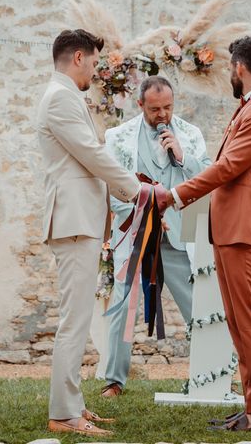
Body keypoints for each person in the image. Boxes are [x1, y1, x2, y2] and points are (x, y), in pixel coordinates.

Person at [159, 36, 251, 431]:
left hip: (241, 225)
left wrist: (176, 194)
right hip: (229, 224)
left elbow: (228, 166)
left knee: (248, 318)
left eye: (231, 65)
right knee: (235, 318)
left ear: (241, 68)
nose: (229, 71)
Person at [37, 29, 140, 437]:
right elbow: (92, 155)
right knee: (74, 322)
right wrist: (137, 189)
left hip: (78, 221)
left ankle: (73, 405)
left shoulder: (63, 96)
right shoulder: (60, 98)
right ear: (78, 57)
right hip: (73, 222)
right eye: (95, 63)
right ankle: (63, 414)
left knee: (76, 318)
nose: (96, 71)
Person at [101, 76, 211, 397]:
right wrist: (146, 214)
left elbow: (208, 178)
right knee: (123, 306)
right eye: (154, 109)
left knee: (197, 304)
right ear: (140, 105)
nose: (162, 114)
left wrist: (183, 157)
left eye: (167, 107)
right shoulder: (118, 138)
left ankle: (212, 373)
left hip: (178, 238)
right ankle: (114, 381)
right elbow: (113, 190)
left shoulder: (190, 135)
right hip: (137, 237)